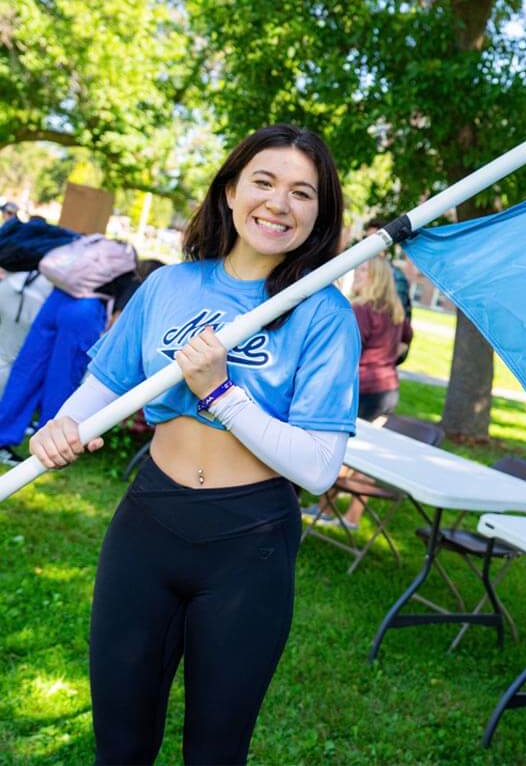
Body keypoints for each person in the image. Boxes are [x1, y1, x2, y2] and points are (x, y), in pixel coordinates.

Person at [27, 124, 361, 764]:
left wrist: (221, 394)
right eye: (263, 182)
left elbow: (319, 470)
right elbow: (106, 384)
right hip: (148, 524)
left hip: (249, 542)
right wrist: (65, 424)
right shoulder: (169, 287)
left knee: (215, 752)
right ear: (231, 192)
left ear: (320, 214)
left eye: (302, 193)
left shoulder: (323, 315)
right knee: (119, 746)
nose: (278, 204)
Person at [0, 260, 161, 466]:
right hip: (84, 311)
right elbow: (117, 326)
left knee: (28, 370)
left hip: (58, 299)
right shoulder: (142, 285)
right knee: (62, 379)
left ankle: (5, 435)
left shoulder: (113, 268)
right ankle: (52, 446)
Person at [304, 255, 412, 529]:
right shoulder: (395, 310)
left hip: (364, 388)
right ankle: (353, 517)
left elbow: (346, 347)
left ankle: (325, 510)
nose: (359, 274)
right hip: (388, 388)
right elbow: (406, 340)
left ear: (376, 277)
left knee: (342, 449)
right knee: (368, 454)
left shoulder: (362, 310)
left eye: (364, 270)